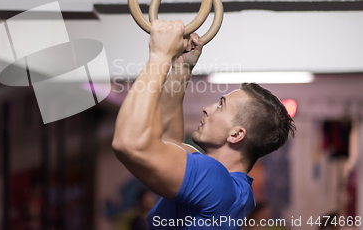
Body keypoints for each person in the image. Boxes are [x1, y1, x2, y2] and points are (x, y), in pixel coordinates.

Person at [112, 20, 296, 229]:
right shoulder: (235, 189)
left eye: (221, 105)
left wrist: (159, 57)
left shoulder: (216, 182)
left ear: (236, 134)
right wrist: (182, 68)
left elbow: (129, 142)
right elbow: (167, 143)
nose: (207, 108)